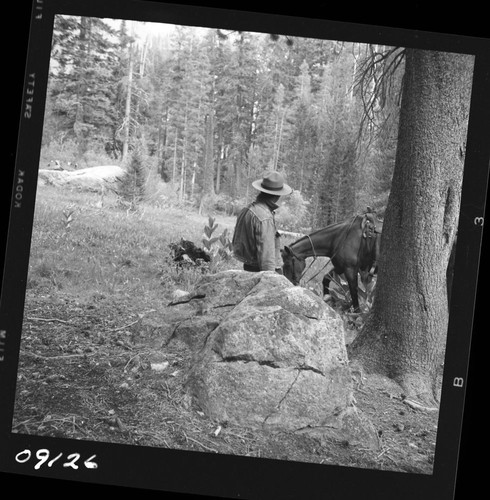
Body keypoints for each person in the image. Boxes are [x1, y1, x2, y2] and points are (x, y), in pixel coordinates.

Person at [232, 171, 293, 273]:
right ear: (276, 196)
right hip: (260, 271)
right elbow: (267, 257)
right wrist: (271, 278)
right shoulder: (264, 217)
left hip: (249, 267)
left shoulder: (247, 209)